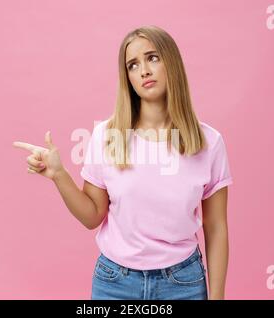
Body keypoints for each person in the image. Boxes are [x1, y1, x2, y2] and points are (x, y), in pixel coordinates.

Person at [13, 25, 233, 300]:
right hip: (115, 283)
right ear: (127, 77)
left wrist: (218, 297)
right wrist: (59, 174)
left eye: (153, 58)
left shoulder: (209, 143)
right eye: (133, 65)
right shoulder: (107, 136)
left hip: (183, 284)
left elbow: (215, 227)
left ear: (172, 62)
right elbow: (92, 216)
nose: (144, 71)